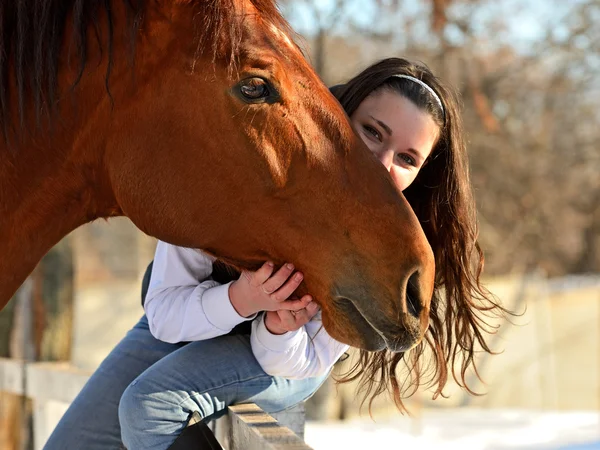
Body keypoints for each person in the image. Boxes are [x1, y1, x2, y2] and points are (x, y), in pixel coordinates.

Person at [44, 57, 506, 450]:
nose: (383, 164)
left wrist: (276, 329)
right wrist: (242, 298)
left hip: (288, 358)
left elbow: (306, 360)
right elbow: (164, 314)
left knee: (150, 404)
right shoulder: (236, 165)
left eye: (407, 158)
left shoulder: (384, 238)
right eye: (372, 132)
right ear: (337, 116)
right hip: (185, 322)